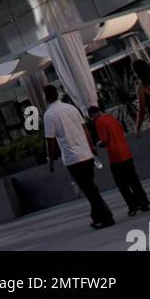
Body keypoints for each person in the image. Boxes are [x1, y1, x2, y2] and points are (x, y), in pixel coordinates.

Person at [43, 83, 114, 229]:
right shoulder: (71, 108)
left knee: (89, 189)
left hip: (72, 158)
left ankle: (106, 216)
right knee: (90, 187)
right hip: (86, 154)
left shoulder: (49, 115)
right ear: (56, 94)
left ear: (46, 97)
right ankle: (96, 217)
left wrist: (50, 159)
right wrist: (91, 146)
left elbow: (50, 140)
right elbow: (85, 129)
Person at [88, 102, 150, 217]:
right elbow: (121, 130)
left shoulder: (99, 122)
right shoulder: (111, 117)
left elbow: (105, 140)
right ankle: (145, 203)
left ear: (93, 114)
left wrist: (98, 143)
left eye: (91, 117)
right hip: (126, 153)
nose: (92, 119)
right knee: (134, 180)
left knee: (122, 184)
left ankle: (132, 206)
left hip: (116, 157)